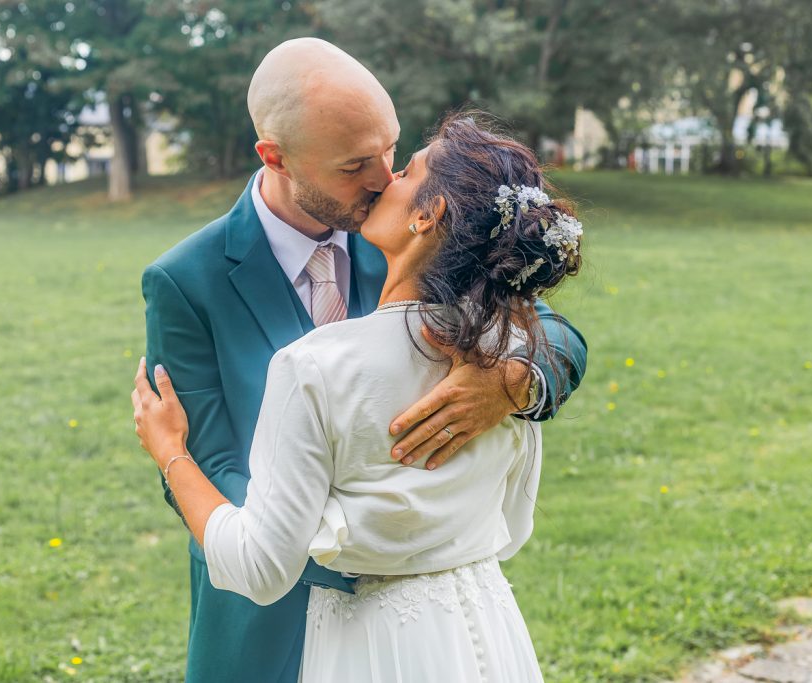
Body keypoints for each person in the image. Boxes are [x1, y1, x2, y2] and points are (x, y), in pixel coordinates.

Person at [139, 38, 586, 682]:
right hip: (263, 627)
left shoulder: (417, 236)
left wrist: (516, 380)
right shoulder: (187, 280)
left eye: (390, 150)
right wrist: (360, 541)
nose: (381, 178)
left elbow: (552, 332)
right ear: (276, 157)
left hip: (417, 633)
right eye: (354, 165)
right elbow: (212, 462)